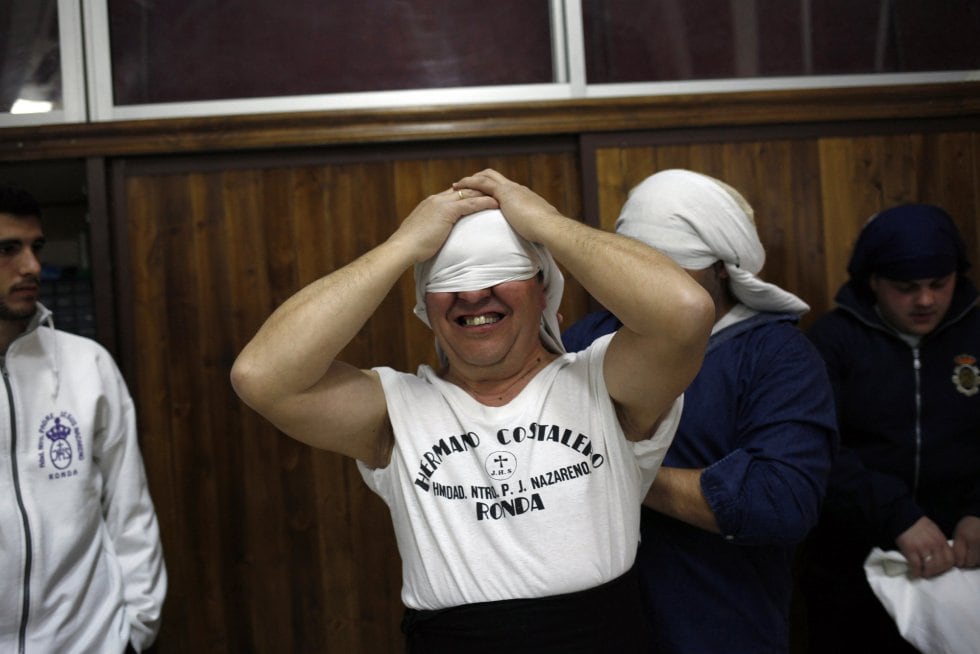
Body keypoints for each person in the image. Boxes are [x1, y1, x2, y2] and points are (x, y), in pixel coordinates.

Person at [230, 168, 714, 652]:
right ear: (426, 307)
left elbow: (686, 311)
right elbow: (261, 376)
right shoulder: (394, 412)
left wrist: (545, 224)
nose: (472, 294)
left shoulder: (603, 385)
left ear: (543, 289)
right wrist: (401, 247)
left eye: (499, 274)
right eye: (448, 280)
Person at [563, 169, 838, 653]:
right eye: (633, 263)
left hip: (720, 627)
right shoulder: (588, 339)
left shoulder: (775, 357)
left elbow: (779, 501)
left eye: (670, 265)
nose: (647, 283)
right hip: (597, 627)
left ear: (722, 269)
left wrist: (622, 469)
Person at [800, 203, 980, 653]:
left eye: (939, 284)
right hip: (852, 558)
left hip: (965, 551)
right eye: (906, 288)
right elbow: (817, 445)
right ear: (872, 282)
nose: (925, 300)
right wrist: (898, 516)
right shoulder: (832, 340)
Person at [0, 183, 167, 653]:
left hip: (92, 641)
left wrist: (136, 629)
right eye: (7, 249)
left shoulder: (85, 364)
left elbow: (129, 507)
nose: (31, 266)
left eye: (35, 247)